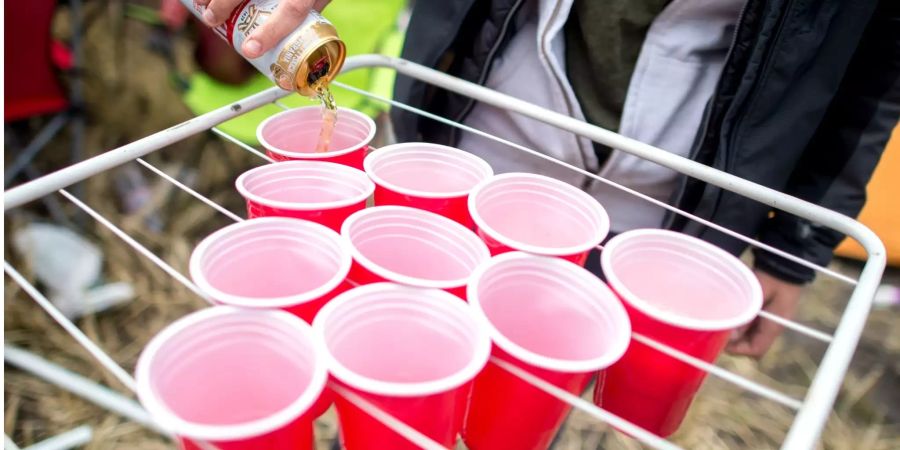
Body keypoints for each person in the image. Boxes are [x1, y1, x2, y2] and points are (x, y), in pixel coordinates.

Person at [191, 0, 900, 358]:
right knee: (399, 351)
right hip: (474, 137)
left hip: (667, 199)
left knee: (545, 384)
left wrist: (793, 248)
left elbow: (877, 63)